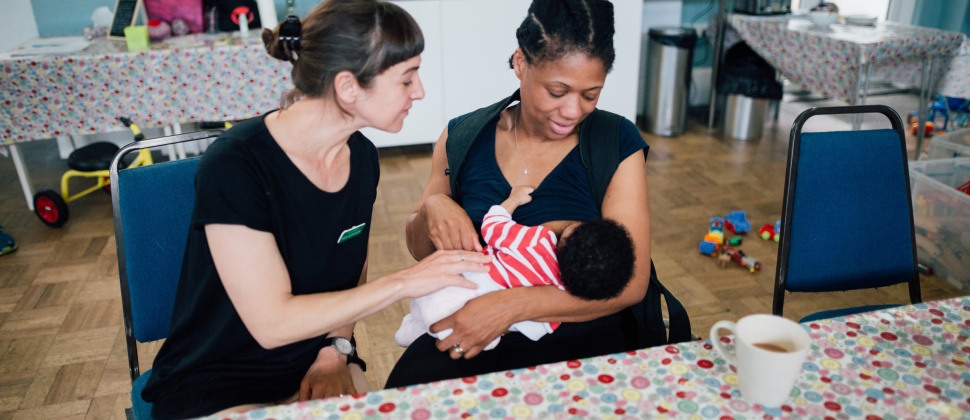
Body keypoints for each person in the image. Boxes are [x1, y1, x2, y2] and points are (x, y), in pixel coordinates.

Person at [139, 1, 490, 418]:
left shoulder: (360, 156)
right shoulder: (236, 164)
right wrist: (403, 282)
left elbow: (348, 261)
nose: (420, 91)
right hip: (217, 372)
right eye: (406, 78)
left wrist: (335, 348)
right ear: (347, 87)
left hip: (317, 352)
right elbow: (271, 325)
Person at [386, 0, 652, 388]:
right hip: (473, 333)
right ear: (521, 62)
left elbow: (631, 283)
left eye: (590, 95)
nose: (572, 111)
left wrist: (510, 307)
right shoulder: (463, 137)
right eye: (557, 91)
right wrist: (433, 208)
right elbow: (420, 249)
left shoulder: (615, 142)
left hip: (580, 336)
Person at [394, 185, 635, 350]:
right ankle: (416, 329)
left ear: (571, 231)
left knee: (426, 303)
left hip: (449, 287)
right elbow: (534, 327)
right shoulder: (563, 292)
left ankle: (414, 325)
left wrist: (513, 200)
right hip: (469, 335)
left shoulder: (540, 241)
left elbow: (493, 227)